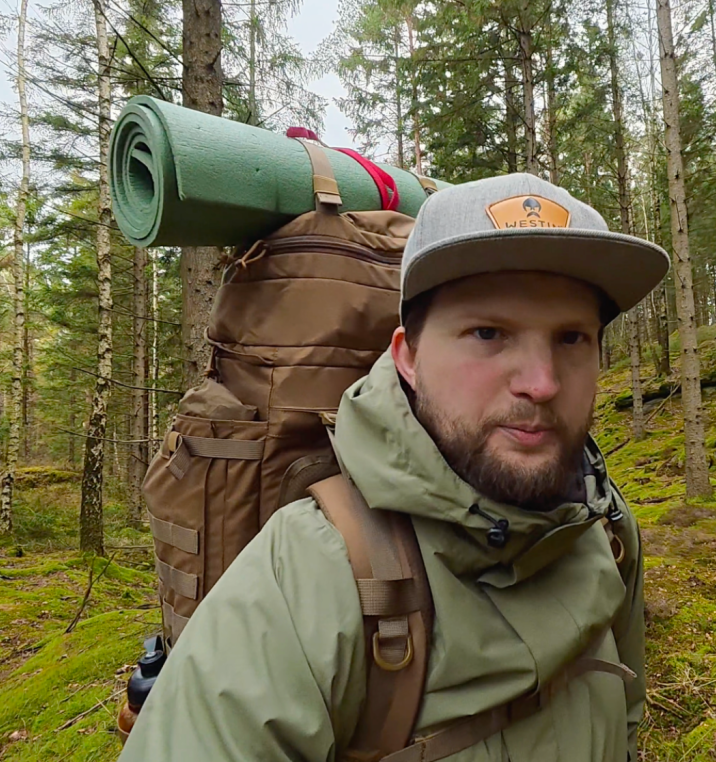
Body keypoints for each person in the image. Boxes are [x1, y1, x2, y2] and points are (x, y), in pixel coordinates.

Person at [119, 173, 671, 762]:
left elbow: (626, 720)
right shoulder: (314, 572)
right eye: (489, 333)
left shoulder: (605, 526)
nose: (541, 382)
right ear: (407, 358)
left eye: (571, 338)